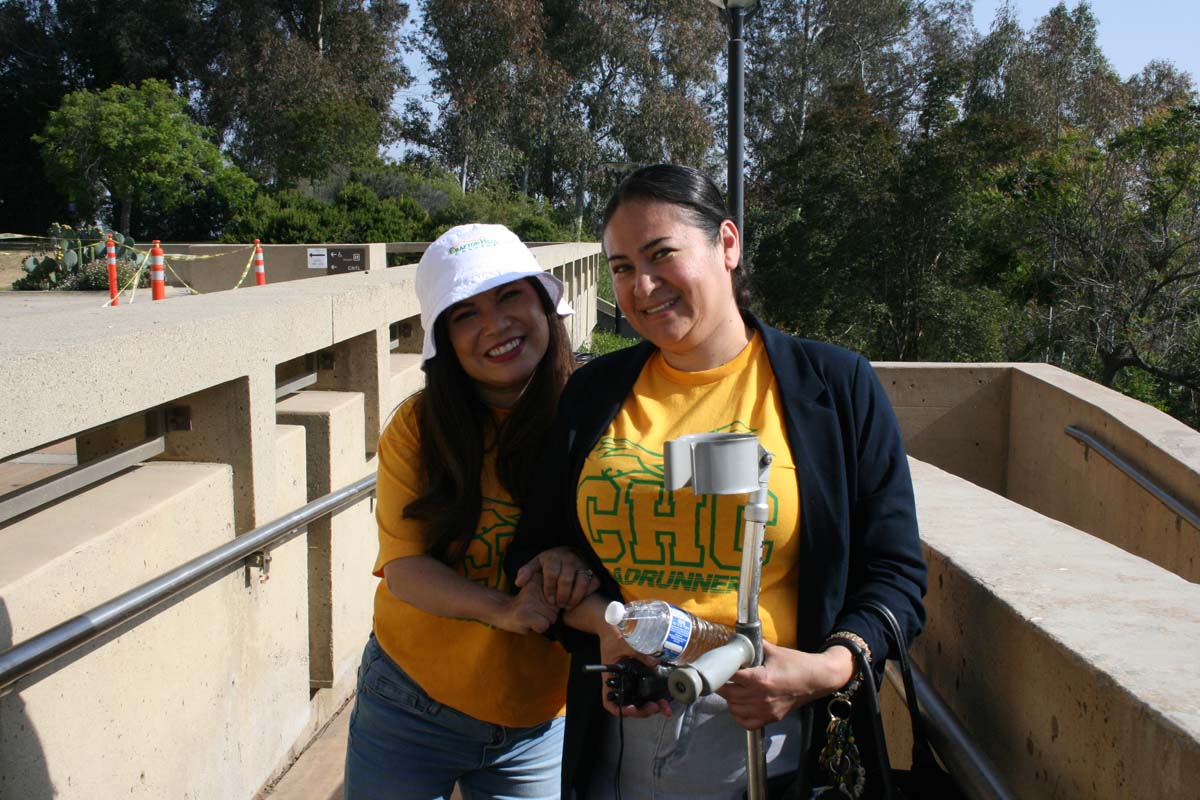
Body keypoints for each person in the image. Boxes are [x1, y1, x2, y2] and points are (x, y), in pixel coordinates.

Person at [505, 165, 928, 799]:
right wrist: (601, 618)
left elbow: (894, 573)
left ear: (726, 244)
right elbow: (534, 549)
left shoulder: (834, 388)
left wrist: (823, 670)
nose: (643, 287)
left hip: (771, 736)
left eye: (661, 254)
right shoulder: (594, 394)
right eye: (621, 267)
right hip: (620, 733)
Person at [344, 223, 600, 800]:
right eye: (465, 313)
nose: (495, 326)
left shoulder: (600, 412)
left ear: (542, 302)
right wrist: (504, 610)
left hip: (540, 723)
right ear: (444, 339)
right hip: (408, 706)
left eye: (509, 295)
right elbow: (405, 570)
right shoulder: (418, 427)